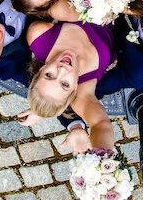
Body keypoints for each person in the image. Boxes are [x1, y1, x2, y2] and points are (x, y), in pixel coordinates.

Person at [19, 19, 119, 153]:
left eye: (49, 75)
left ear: (42, 70)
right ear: (74, 89)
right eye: (65, 84)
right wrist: (101, 161)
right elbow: (101, 124)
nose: (62, 70)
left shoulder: (39, 35)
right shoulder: (84, 91)